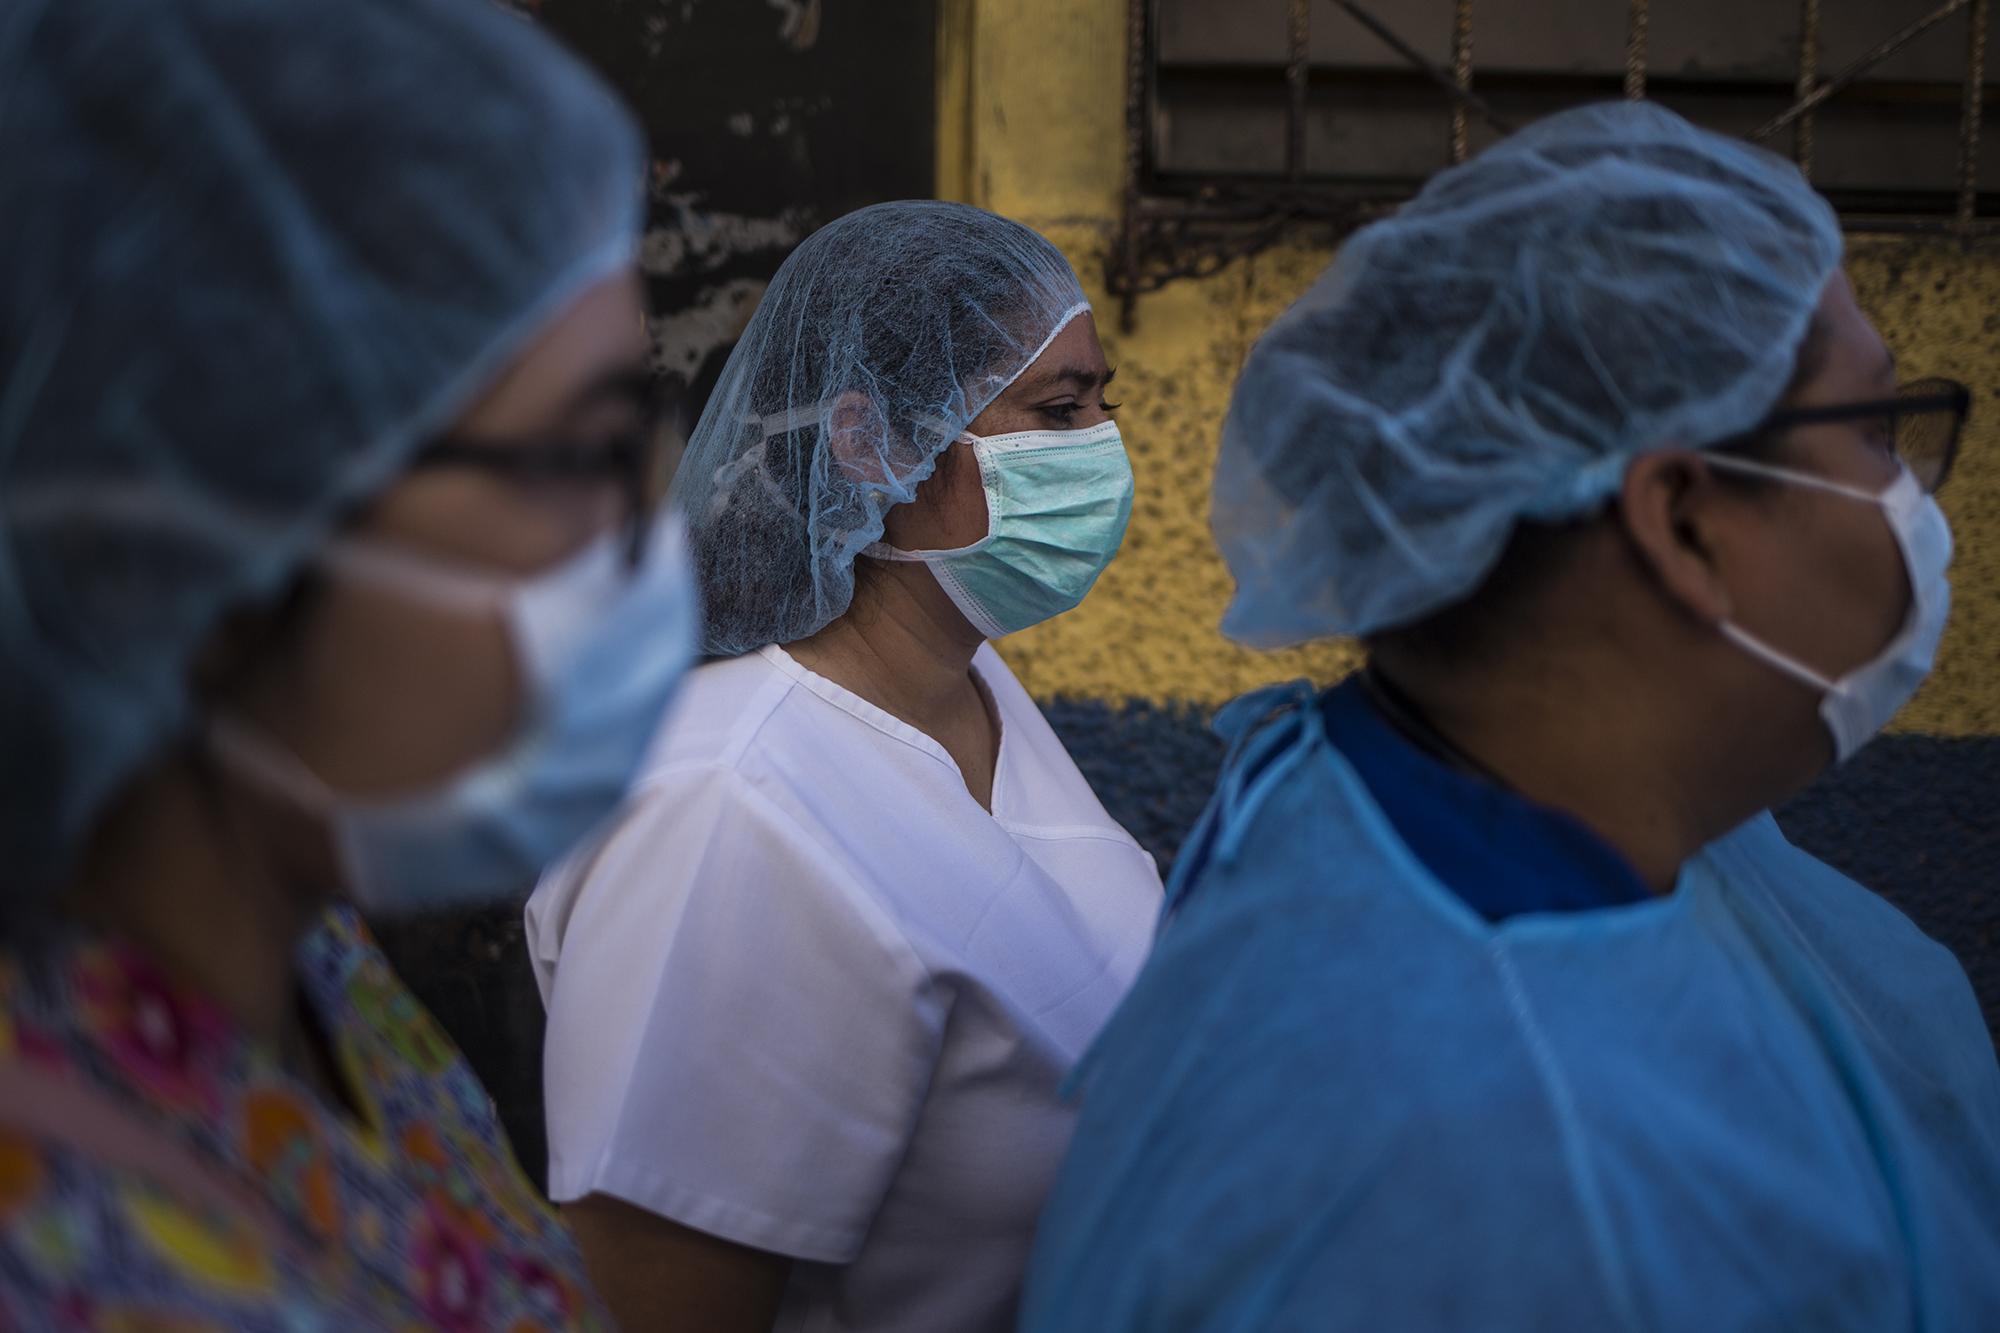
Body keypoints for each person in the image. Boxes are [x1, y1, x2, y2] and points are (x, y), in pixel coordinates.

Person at [1021, 102, 2000, 1331]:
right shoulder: (1529, 1170)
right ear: (1683, 521)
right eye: (1868, 430)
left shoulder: (1364, 788)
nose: (1907, 496)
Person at [0, 0, 700, 1325]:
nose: (648, 538)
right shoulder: (57, 1250)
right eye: (575, 457)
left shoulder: (331, 1001)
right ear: (196, 548)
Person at [526, 199, 1164, 1333]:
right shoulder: (727, 809)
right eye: (1056, 410)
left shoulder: (967, 688)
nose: (1101, 448)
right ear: (870, 441)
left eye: (1101, 403)